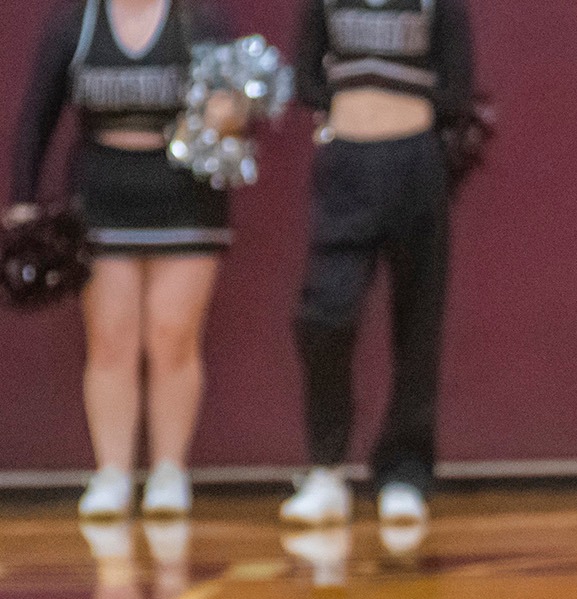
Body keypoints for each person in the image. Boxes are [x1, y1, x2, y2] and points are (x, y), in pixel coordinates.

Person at [9, 0, 244, 520]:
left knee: (172, 338)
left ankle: (169, 473)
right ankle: (112, 474)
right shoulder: (77, 22)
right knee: (111, 342)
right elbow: (36, 117)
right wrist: (23, 199)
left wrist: (232, 115)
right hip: (100, 198)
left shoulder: (199, 20)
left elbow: (241, 105)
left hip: (186, 198)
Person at [279, 0, 474, 529]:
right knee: (325, 314)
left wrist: (402, 110)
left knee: (418, 322)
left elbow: (458, 83)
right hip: (345, 165)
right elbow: (304, 76)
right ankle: (326, 472)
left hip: (416, 164)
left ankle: (404, 474)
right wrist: (349, 109)